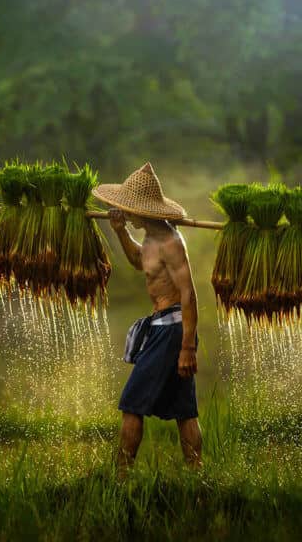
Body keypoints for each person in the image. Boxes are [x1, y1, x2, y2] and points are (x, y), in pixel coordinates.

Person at [92, 163, 202, 472]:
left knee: (131, 404)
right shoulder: (153, 241)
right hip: (164, 329)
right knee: (184, 411)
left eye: (129, 211)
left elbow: (189, 294)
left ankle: (120, 475)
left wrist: (187, 347)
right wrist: (120, 230)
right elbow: (139, 262)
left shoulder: (171, 243)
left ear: (145, 211)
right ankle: (197, 473)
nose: (127, 213)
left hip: (172, 331)